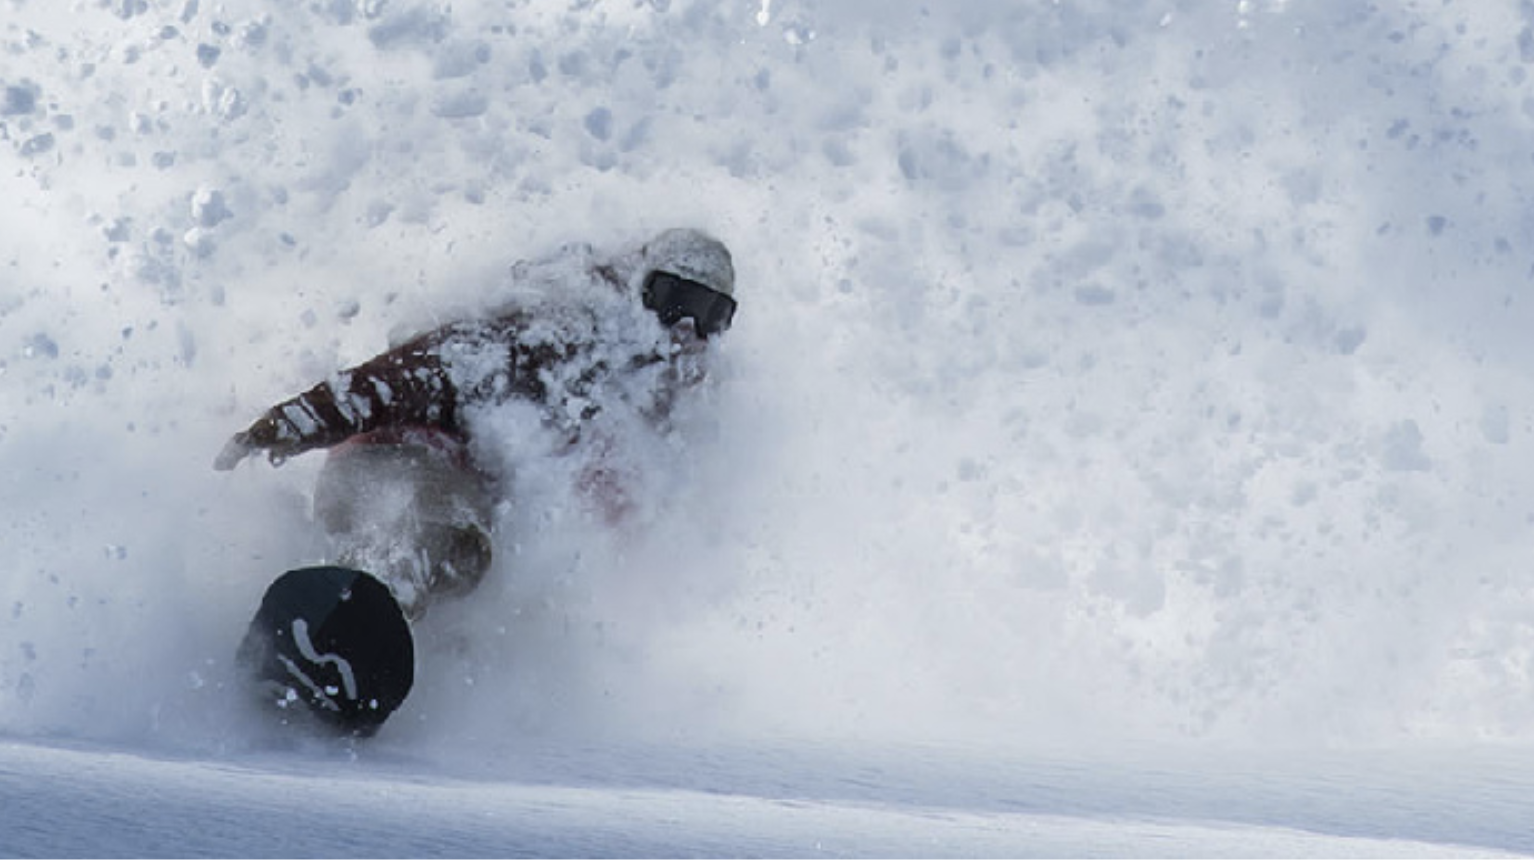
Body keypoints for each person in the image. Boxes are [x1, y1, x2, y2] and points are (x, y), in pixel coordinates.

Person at [214, 228, 738, 619]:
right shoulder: (562, 329)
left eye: (712, 314)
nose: (688, 327)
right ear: (638, 286)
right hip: (397, 457)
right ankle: (350, 612)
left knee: (477, 569)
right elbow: (422, 368)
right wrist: (294, 421)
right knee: (446, 534)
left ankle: (361, 622)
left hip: (471, 510)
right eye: (676, 300)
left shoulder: (662, 412)